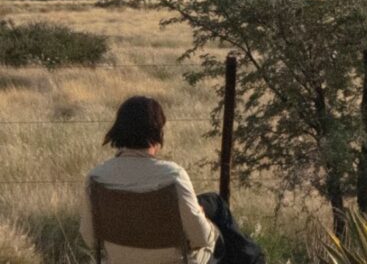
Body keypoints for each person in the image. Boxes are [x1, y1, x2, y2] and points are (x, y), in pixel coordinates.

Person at [80, 96, 262, 264]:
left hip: (118, 259)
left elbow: (89, 237)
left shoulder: (95, 178)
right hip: (174, 260)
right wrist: (205, 222)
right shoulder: (173, 176)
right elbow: (201, 238)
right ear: (157, 132)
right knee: (227, 242)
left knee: (213, 204)